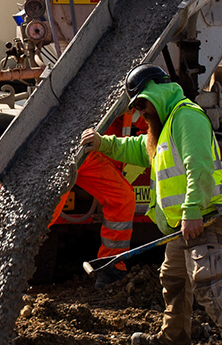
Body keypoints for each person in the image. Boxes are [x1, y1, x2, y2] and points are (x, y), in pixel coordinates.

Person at [80, 63, 222, 345]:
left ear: (157, 91)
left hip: (203, 219)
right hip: (180, 226)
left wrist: (192, 210)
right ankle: (173, 338)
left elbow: (200, 168)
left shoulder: (186, 118)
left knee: (210, 288)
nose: (140, 112)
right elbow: (135, 148)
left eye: (143, 104)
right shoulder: (165, 126)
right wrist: (102, 143)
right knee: (174, 282)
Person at [50, 110, 146, 289]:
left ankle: (111, 269)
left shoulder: (132, 101)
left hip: (93, 153)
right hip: (62, 148)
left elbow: (151, 127)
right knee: (46, 211)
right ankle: (16, 262)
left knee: (122, 198)